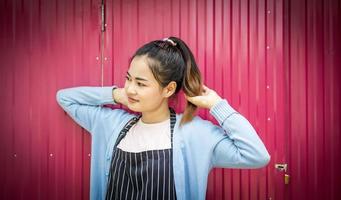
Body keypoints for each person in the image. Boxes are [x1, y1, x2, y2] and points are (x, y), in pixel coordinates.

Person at [56, 36, 270, 200]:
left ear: (168, 89)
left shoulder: (195, 134)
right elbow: (65, 98)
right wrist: (116, 94)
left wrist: (217, 105)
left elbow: (257, 156)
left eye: (141, 83)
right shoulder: (110, 123)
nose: (130, 88)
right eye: (128, 79)